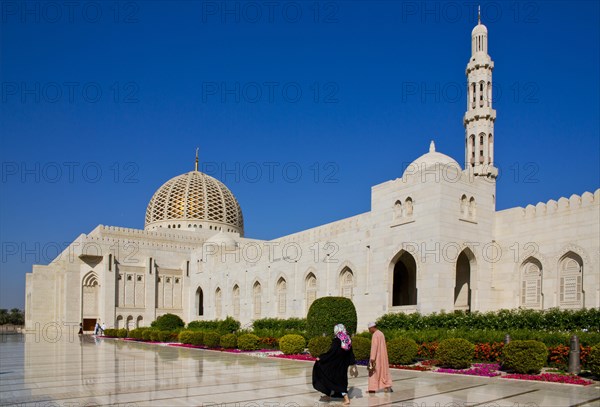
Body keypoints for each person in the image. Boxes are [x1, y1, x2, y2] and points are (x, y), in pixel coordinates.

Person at [312, 324, 357, 405]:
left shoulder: (336, 341)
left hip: (335, 364)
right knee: (340, 379)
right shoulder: (347, 340)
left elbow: (331, 353)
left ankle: (346, 399)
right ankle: (330, 395)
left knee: (333, 378)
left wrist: (321, 358)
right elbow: (351, 353)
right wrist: (353, 364)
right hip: (343, 365)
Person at [367, 322, 393, 393]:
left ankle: (372, 388)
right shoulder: (381, 333)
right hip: (383, 357)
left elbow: (374, 347)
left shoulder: (375, 335)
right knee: (383, 371)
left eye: (369, 329)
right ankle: (386, 386)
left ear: (372, 328)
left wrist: (372, 358)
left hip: (377, 357)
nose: (369, 331)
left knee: (373, 372)